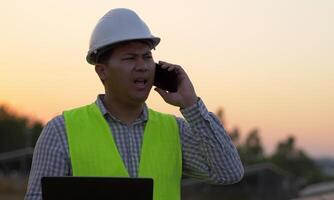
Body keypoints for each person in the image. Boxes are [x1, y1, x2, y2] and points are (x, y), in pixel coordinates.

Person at [25, 8, 244, 200]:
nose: (143, 66)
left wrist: (191, 105)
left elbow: (228, 173)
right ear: (102, 71)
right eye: (130, 58)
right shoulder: (61, 130)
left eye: (147, 57)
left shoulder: (174, 130)